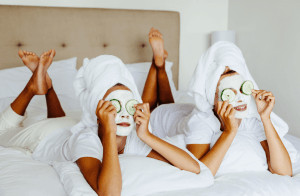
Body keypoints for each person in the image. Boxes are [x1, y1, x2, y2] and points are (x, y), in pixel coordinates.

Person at [0, 28, 200, 196]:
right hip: (45, 136)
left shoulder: (132, 139)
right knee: (3, 130)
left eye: (128, 105)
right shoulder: (87, 140)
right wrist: (110, 133)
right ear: (99, 113)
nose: (122, 113)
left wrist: (146, 135)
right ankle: (33, 88)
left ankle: (48, 87)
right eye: (114, 106)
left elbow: (194, 167)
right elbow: (109, 193)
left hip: (69, 126)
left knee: (64, 120)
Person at [149, 41, 297, 176]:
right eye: (229, 93)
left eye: (242, 89)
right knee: (157, 105)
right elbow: (201, 173)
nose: (239, 98)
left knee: (169, 102)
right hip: (162, 117)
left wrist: (266, 118)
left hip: (180, 111)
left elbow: (285, 172)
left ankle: (160, 67)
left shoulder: (250, 119)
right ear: (213, 97)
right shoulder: (200, 121)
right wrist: (229, 132)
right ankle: (159, 67)